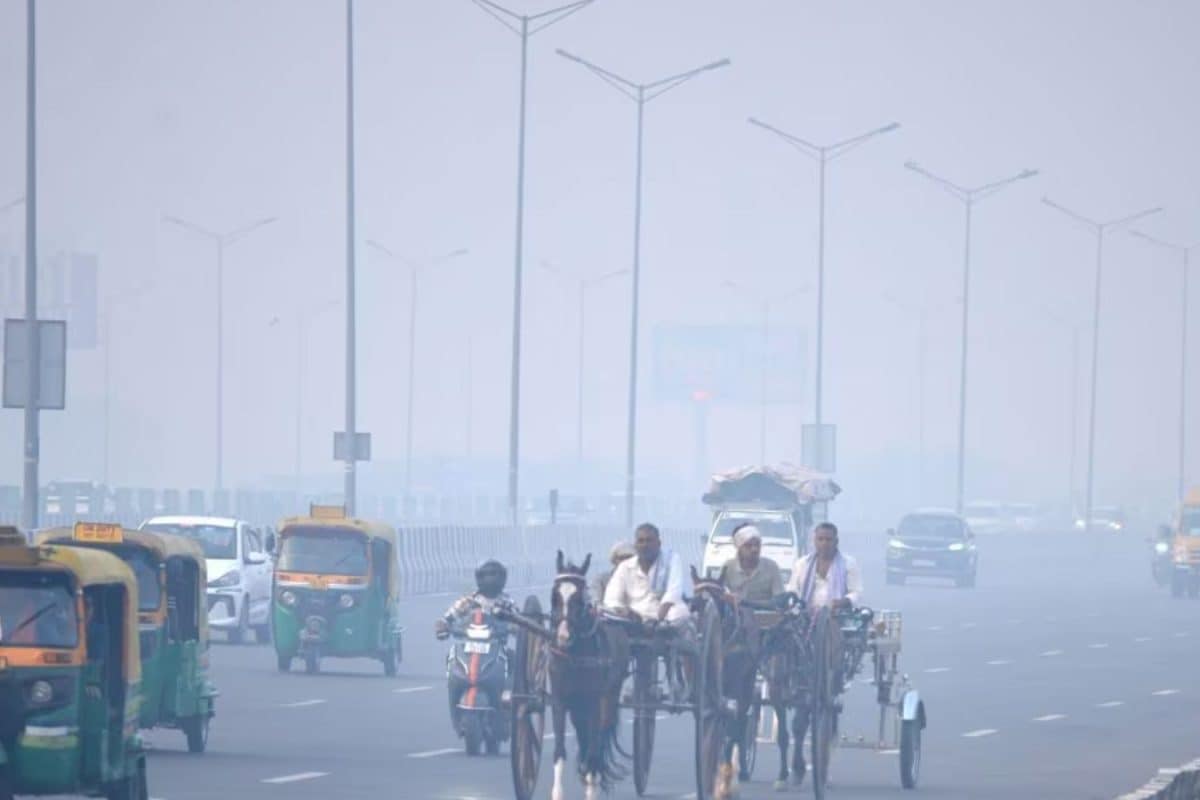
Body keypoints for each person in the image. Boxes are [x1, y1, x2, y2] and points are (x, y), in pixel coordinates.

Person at [603, 523, 687, 623]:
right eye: (641, 541)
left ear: (658, 543)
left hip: (665, 616)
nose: (645, 545)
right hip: (634, 618)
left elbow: (674, 592)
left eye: (649, 541)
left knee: (679, 613)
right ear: (635, 545)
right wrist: (624, 612)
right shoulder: (625, 567)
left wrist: (658, 620)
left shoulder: (672, 559)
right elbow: (612, 597)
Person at [786, 522, 863, 610]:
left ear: (836, 541)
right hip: (805, 618)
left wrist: (843, 601)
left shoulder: (849, 564)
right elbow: (792, 591)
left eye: (828, 539)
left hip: (837, 618)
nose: (824, 543)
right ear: (814, 541)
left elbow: (857, 592)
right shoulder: (802, 564)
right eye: (820, 539)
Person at [435, 559, 512, 638]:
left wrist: (515, 628)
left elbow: (519, 623)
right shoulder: (469, 601)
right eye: (486, 576)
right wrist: (442, 626)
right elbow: (448, 617)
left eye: (493, 575)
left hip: (497, 644)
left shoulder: (507, 603)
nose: (490, 580)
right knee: (452, 651)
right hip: (465, 642)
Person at [719, 524, 783, 605]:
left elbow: (780, 599)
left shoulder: (772, 567)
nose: (754, 549)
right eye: (748, 545)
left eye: (757, 545)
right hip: (735, 615)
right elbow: (720, 595)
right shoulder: (727, 567)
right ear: (739, 548)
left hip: (764, 615)